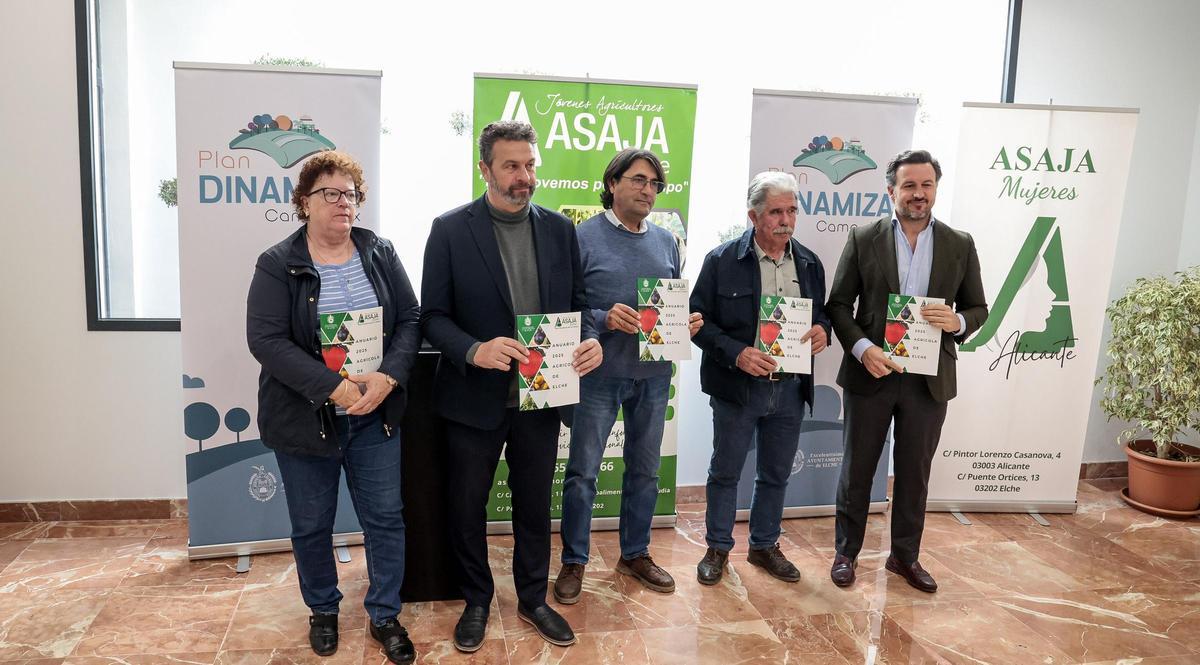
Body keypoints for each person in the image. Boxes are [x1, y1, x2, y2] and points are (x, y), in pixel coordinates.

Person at [420, 120, 601, 652]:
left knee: (532, 506)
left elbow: (578, 303)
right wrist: (475, 350)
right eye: (511, 166)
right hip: (474, 398)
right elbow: (431, 316)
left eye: (530, 165)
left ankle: (532, 598)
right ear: (485, 169)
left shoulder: (559, 229)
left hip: (541, 397)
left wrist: (589, 338)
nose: (524, 177)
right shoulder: (450, 229)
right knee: (467, 505)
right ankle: (476, 601)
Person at [246, 150, 420, 663]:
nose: (343, 203)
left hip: (376, 416)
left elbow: (410, 319)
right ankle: (323, 609)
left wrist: (389, 377)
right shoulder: (278, 263)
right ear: (304, 202)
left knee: (386, 519)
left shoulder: (379, 251)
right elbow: (266, 341)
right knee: (312, 524)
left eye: (351, 195)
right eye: (330, 193)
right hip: (308, 419)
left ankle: (385, 614)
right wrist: (335, 389)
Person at [826, 149, 988, 593]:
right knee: (857, 470)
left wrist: (958, 322)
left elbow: (979, 307)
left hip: (928, 380)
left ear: (935, 188)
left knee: (915, 474)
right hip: (871, 374)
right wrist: (862, 349)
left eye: (927, 185)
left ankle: (905, 557)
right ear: (891, 190)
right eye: (910, 186)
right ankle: (846, 553)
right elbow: (839, 305)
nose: (919, 194)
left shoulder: (960, 243)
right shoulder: (863, 237)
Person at [553, 148, 704, 604]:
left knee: (645, 469)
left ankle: (635, 553)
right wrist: (601, 319)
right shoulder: (581, 238)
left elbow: (674, 300)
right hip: (599, 376)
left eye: (655, 184)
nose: (647, 190)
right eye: (639, 180)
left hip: (654, 376)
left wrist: (687, 324)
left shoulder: (665, 241)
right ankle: (574, 561)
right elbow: (564, 304)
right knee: (583, 472)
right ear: (613, 183)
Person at [689, 171, 831, 585]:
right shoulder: (720, 261)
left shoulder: (809, 262)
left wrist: (823, 330)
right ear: (753, 216)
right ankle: (717, 547)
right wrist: (737, 354)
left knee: (776, 473)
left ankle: (765, 545)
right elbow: (697, 322)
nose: (785, 220)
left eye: (791, 210)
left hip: (789, 389)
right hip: (738, 388)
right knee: (725, 472)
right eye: (775, 212)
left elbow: (820, 314)